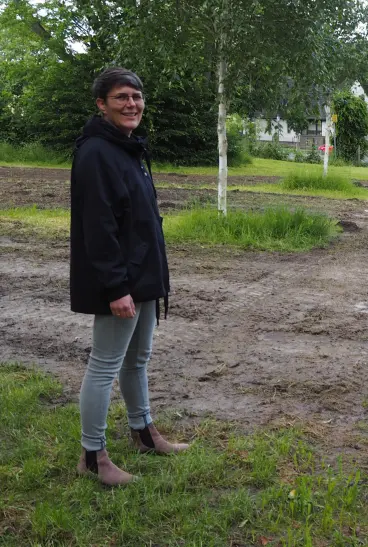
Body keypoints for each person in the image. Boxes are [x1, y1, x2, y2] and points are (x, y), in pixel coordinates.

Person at [70, 67, 188, 486]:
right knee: (105, 364)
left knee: (137, 359)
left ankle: (144, 433)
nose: (131, 104)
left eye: (136, 96)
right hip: (119, 281)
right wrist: (116, 287)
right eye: (121, 97)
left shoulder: (127, 147)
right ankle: (92, 455)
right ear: (101, 104)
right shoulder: (96, 153)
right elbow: (97, 228)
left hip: (142, 276)